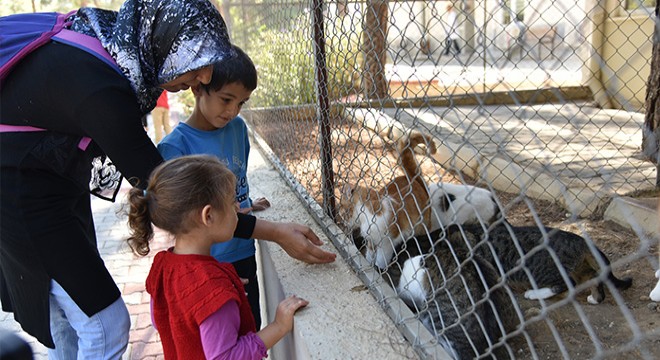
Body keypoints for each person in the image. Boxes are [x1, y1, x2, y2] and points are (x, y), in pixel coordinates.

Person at [0, 0, 335, 358]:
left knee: (69, 319)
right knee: (104, 326)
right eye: (197, 59)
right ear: (165, 42)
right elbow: (186, 199)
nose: (204, 77)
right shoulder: (102, 92)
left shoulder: (118, 44)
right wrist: (277, 232)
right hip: (20, 194)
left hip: (50, 180)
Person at [127, 155, 308, 359]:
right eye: (232, 202)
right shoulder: (212, 289)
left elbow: (163, 316)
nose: (238, 209)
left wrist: (221, 291)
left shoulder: (162, 265)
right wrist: (278, 326)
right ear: (208, 216)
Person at [158, 45, 270, 329]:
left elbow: (236, 179)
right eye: (226, 99)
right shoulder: (175, 148)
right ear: (198, 88)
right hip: (208, 263)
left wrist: (245, 205)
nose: (232, 111)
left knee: (249, 331)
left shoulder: (238, 129)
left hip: (243, 251)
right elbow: (180, 220)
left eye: (242, 103)